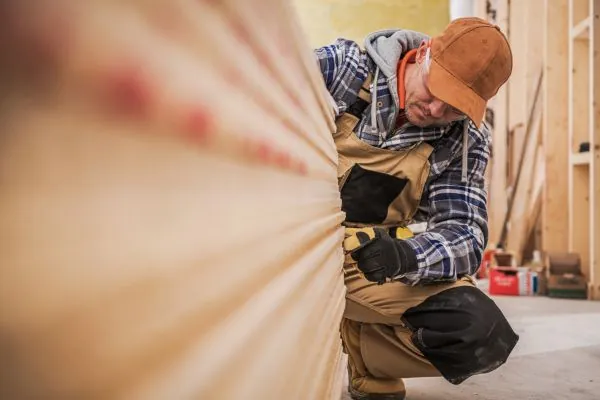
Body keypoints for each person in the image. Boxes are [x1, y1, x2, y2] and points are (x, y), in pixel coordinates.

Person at [314, 17, 519, 400]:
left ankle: (367, 356)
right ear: (422, 54)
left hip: (363, 261)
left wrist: (406, 255)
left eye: (455, 107)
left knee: (478, 331)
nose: (436, 108)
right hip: (295, 243)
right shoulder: (345, 70)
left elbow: (466, 233)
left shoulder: (465, 140)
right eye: (434, 88)